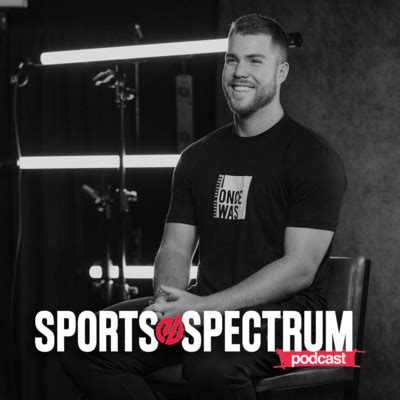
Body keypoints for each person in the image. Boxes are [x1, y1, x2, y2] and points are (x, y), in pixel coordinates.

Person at [60, 14, 347, 400]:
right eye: (232, 59)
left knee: (211, 365)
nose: (239, 72)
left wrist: (205, 309)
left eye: (255, 60)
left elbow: (299, 268)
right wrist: (168, 304)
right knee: (84, 341)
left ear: (282, 72)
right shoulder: (198, 158)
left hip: (288, 319)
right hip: (207, 307)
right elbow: (175, 248)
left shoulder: (313, 158)